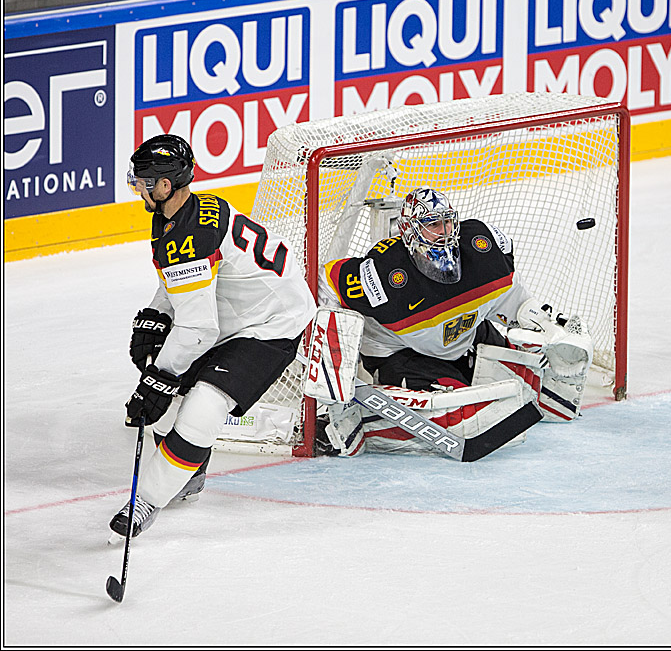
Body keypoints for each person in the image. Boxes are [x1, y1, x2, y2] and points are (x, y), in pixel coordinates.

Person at [111, 134, 316, 538]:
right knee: (158, 365)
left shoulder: (186, 230)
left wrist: (161, 379)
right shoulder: (186, 210)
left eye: (144, 180)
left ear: (165, 185)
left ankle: (148, 500)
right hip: (239, 311)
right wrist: (157, 313)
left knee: (204, 402)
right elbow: (182, 279)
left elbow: (200, 328)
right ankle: (186, 472)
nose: (139, 186)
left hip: (273, 323)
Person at [316, 186, 592, 455]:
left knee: (534, 379)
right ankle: (365, 419)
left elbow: (512, 298)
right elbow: (327, 279)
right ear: (410, 232)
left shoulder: (482, 248)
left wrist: (544, 326)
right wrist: (335, 365)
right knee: (465, 419)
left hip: (468, 336)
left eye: (448, 222)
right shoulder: (385, 274)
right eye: (433, 224)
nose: (444, 231)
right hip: (404, 353)